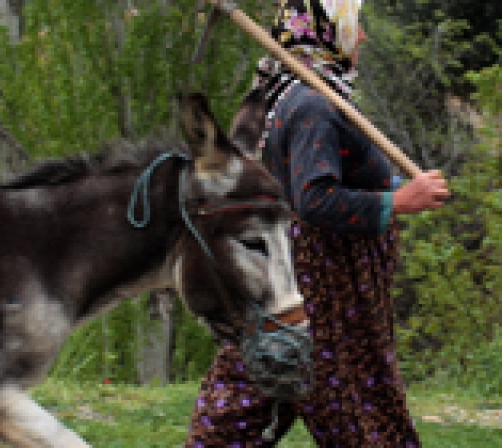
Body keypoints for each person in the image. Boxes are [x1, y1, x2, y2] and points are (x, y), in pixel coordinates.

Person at [185, 0, 451, 446]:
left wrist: (396, 183)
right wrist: (400, 201)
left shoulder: (301, 93)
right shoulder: (311, 104)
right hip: (327, 280)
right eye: (355, 25)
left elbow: (316, 178)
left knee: (266, 373)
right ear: (328, 31)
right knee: (349, 389)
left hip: (303, 270)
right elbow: (315, 198)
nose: (362, 36)